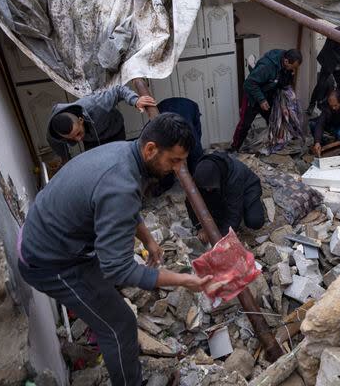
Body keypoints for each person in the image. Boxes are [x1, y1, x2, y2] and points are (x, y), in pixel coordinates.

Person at [19, 114, 213, 386]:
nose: (179, 168)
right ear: (150, 149)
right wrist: (183, 280)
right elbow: (117, 268)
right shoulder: (121, 184)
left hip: (59, 239)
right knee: (119, 325)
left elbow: (125, 208)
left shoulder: (125, 152)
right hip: (50, 263)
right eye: (175, 160)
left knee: (107, 295)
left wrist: (148, 240)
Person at [46, 85, 156, 162]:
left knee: (121, 160)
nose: (78, 139)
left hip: (114, 130)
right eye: (72, 138)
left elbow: (117, 90)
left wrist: (135, 100)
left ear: (81, 120)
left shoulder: (96, 104)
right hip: (91, 141)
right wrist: (66, 159)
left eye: (78, 133)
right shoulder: (55, 134)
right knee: (97, 165)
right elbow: (58, 145)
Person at [185, 151, 265, 243]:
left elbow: (234, 213)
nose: (207, 190)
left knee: (254, 220)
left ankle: (250, 205)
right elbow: (191, 202)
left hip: (247, 187)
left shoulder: (234, 177)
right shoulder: (201, 173)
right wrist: (200, 227)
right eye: (205, 187)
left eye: (209, 187)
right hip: (220, 188)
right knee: (217, 217)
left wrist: (221, 240)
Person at [230, 49, 302, 151]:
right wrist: (261, 100)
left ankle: (274, 144)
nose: (293, 70)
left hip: (268, 93)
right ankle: (234, 148)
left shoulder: (285, 64)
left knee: (274, 120)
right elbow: (249, 84)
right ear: (286, 61)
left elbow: (282, 84)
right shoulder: (267, 66)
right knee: (245, 124)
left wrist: (284, 104)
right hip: (253, 96)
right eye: (293, 67)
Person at [307, 34, 340, 113]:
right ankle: (312, 105)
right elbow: (329, 50)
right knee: (320, 84)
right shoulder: (335, 32)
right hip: (329, 61)